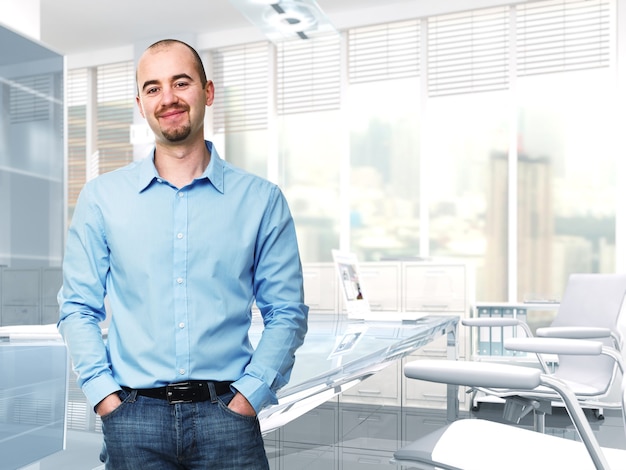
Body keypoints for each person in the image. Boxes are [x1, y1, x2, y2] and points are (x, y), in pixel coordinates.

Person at [57, 38, 309, 470]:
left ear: (207, 92)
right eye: (153, 88)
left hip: (228, 416)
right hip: (133, 419)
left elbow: (286, 312)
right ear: (140, 104)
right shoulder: (102, 198)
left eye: (181, 82)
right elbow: (78, 307)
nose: (168, 98)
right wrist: (104, 398)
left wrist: (251, 395)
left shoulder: (261, 200)